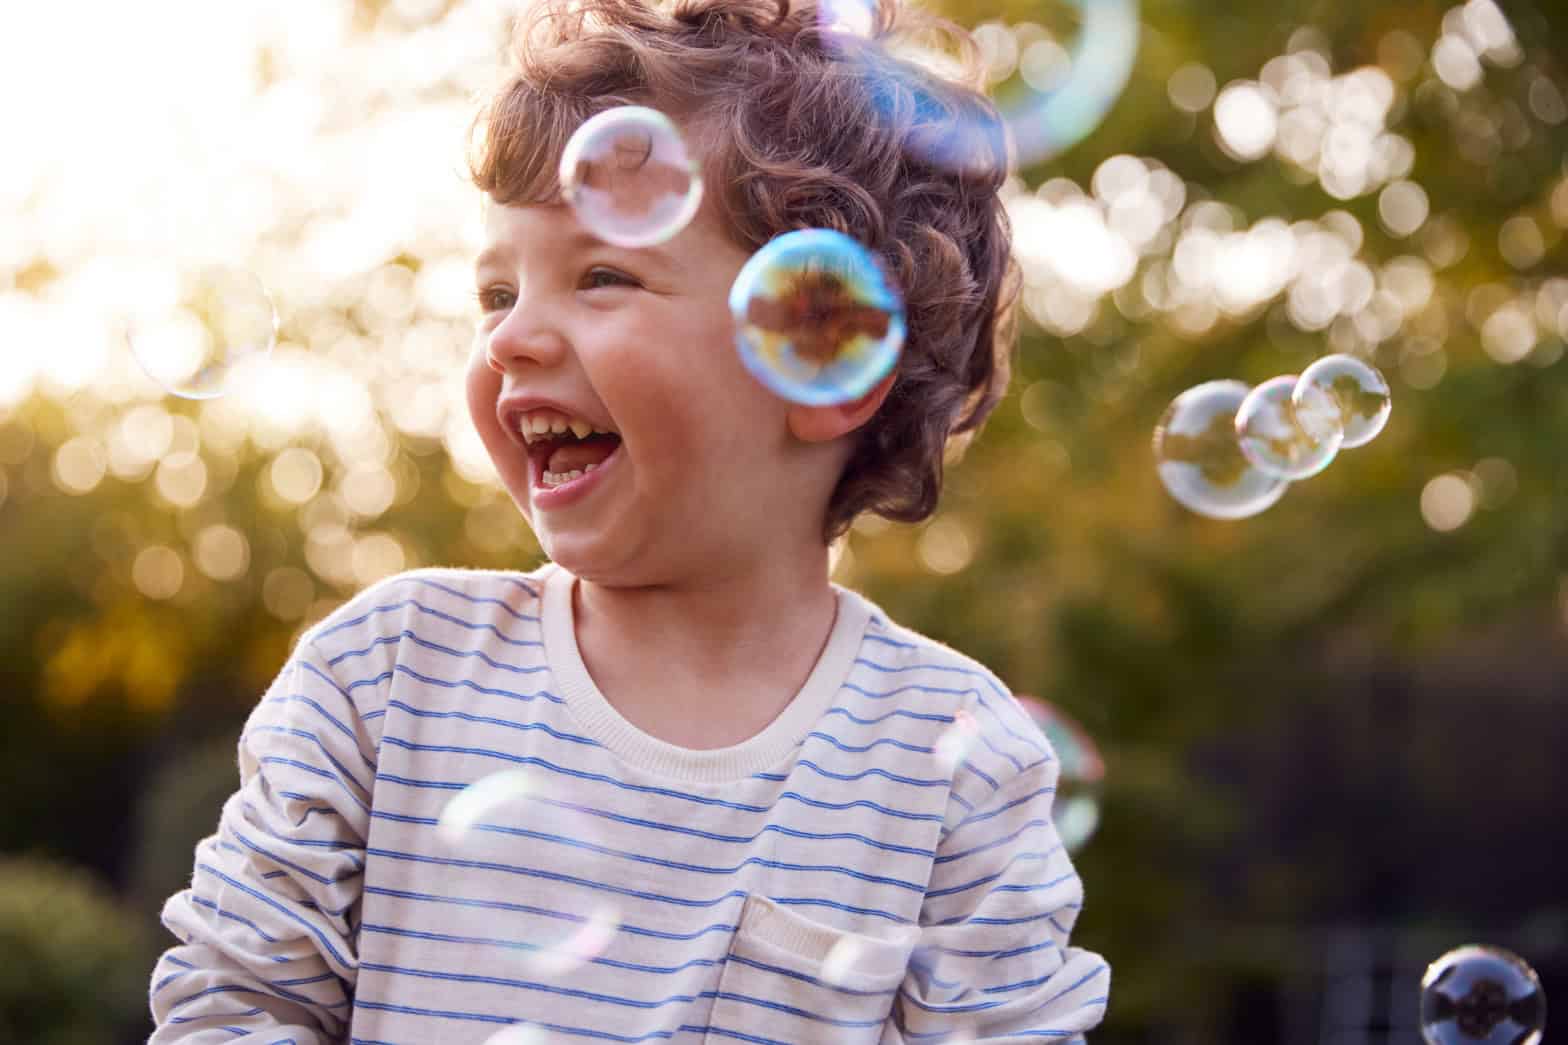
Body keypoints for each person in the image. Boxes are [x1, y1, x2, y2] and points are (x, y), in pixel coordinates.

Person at [147, 0, 1111, 1039]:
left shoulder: (949, 768)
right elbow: (232, 1002)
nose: (511, 338)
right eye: (495, 292)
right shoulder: (384, 678)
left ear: (827, 349)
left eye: (601, 275)